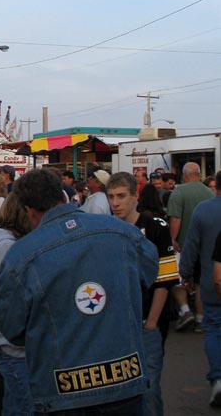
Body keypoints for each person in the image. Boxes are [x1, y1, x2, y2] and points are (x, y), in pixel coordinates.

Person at [0, 168, 158, 415]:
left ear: (28, 210)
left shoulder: (21, 255)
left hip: (62, 392)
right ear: (62, 195)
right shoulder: (122, 232)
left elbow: (11, 327)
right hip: (125, 380)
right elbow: (148, 273)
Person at [107, 172, 179, 416]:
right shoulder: (106, 229)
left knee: (148, 390)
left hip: (147, 321)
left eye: (121, 196)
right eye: (111, 197)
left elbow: (165, 280)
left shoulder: (156, 226)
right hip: (117, 323)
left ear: (135, 197)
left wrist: (150, 324)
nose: (115, 203)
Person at [0, 193, 34, 416]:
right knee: (25, 406)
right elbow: (15, 299)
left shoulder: (6, 244)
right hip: (11, 344)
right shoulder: (7, 248)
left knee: (15, 403)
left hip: (9, 340)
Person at [180, 170, 221, 407]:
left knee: (214, 329)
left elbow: (191, 245)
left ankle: (218, 380)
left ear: (216, 187)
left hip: (211, 283)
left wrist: (185, 273)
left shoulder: (203, 210)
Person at [167, 162, 214, 332]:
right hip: (207, 245)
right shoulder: (209, 192)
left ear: (185, 175)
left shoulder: (179, 191)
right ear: (198, 175)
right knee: (200, 282)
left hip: (184, 245)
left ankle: (186, 311)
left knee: (177, 277)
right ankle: (201, 319)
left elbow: (176, 219)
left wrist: (172, 239)